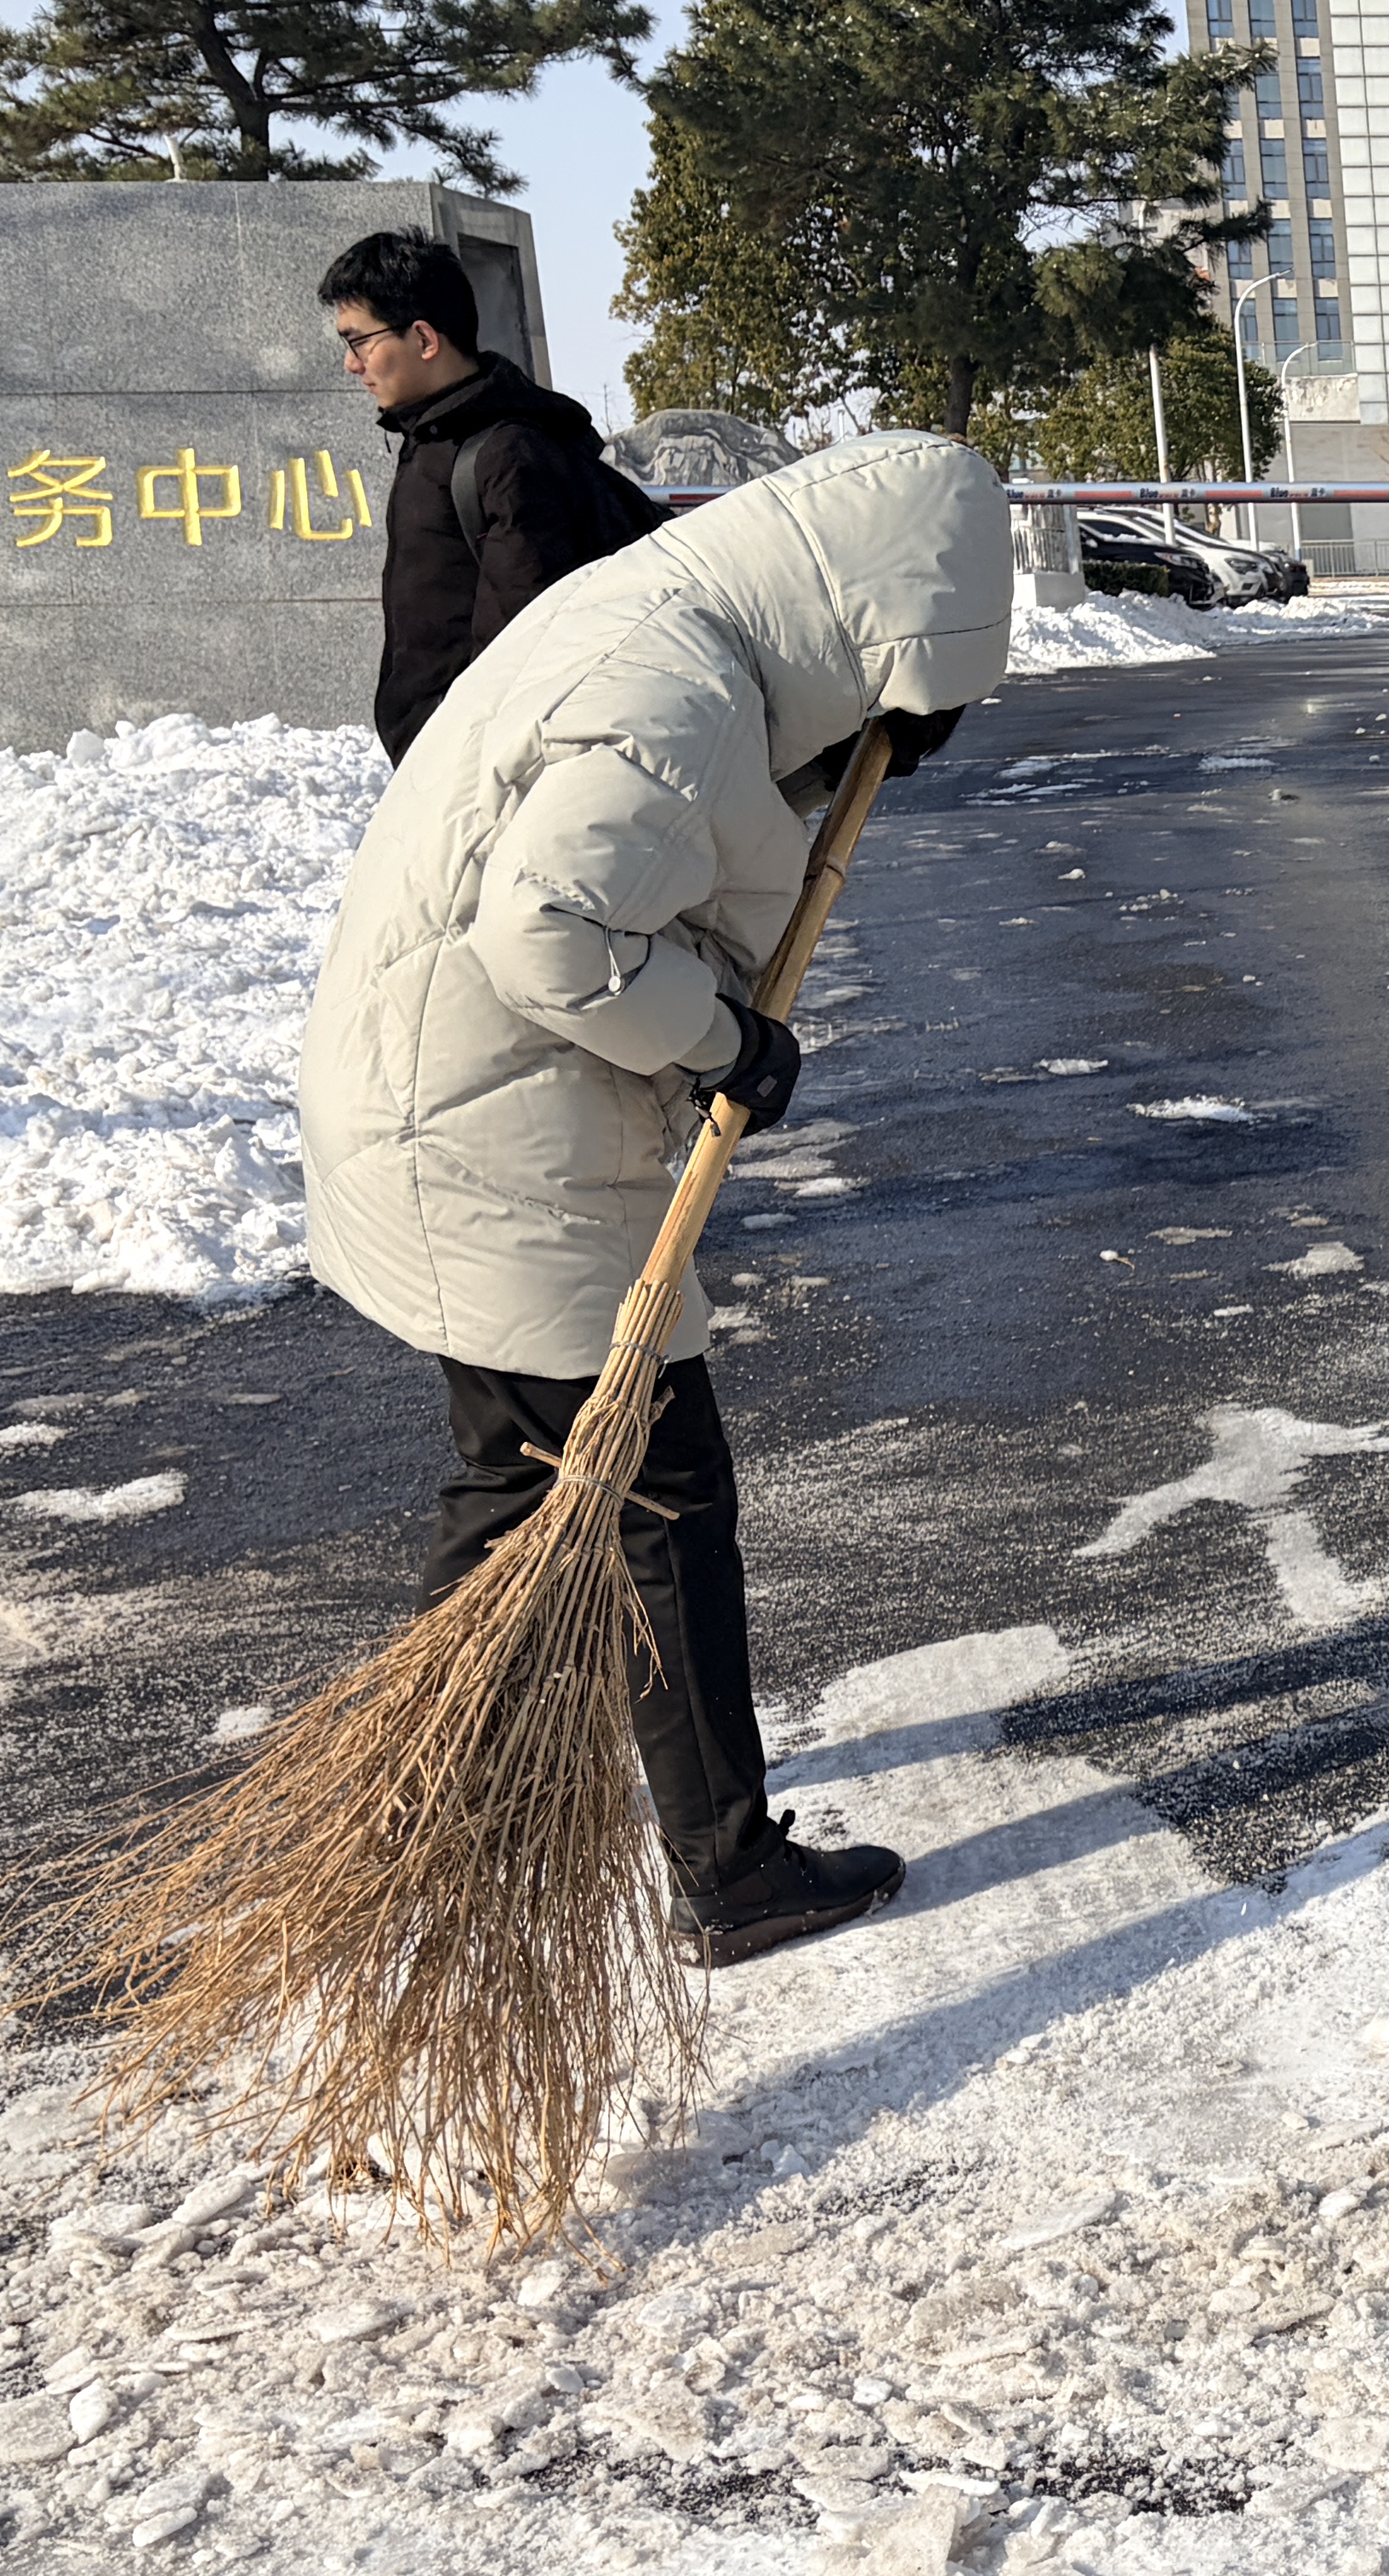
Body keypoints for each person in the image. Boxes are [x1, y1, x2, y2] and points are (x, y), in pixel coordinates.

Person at [296, 432, 1010, 1967]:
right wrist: (724, 1041)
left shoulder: (664, 625)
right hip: (493, 1143)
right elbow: (550, 934)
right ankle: (728, 1871)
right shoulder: (676, 694)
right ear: (871, 643)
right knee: (658, 1497)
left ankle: (420, 1801)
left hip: (445, 1111)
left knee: (527, 1479)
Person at [321, 225, 651, 763]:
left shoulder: (508, 456)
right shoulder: (432, 442)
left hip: (482, 769)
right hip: (442, 761)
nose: (351, 363)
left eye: (359, 341)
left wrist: (465, 760)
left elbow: (522, 653)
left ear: (424, 340)